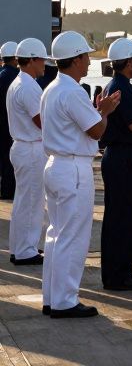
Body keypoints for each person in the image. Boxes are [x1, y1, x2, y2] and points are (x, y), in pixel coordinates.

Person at [40, 31, 120, 319]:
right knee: (73, 237)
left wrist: (98, 112)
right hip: (72, 167)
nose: (88, 62)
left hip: (55, 164)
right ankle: (65, 301)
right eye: (85, 56)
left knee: (56, 235)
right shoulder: (73, 90)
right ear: (75, 59)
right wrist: (106, 111)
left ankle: (53, 297)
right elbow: (97, 130)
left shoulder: (52, 88)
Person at [100, 38, 132, 291]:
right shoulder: (124, 87)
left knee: (116, 217)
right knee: (127, 218)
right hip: (125, 158)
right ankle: (122, 274)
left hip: (116, 156)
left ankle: (115, 273)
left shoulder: (114, 85)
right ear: (128, 62)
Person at [6, 38, 48, 266]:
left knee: (24, 201)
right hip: (31, 147)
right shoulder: (29, 86)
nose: (44, 65)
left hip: (23, 146)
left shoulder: (19, 82)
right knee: (32, 201)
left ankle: (20, 246)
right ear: (31, 60)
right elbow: (42, 120)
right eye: (42, 60)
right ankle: (25, 250)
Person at [0, 40, 19, 200]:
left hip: (2, 124)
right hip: (11, 126)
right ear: (15, 58)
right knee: (9, 163)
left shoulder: (1, 75)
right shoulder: (17, 78)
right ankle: (8, 191)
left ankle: (4, 190)